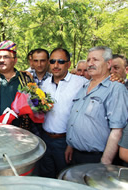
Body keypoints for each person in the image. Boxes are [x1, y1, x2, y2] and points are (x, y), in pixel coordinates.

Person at [66, 46, 127, 165]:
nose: (90, 63)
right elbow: (77, 118)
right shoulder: (84, 87)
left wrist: (105, 162)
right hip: (75, 154)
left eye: (95, 60)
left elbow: (117, 130)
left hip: (96, 158)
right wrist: (70, 145)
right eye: (88, 60)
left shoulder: (116, 89)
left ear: (108, 63)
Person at [35, 48, 88, 178]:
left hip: (66, 142)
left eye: (61, 61)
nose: (56, 65)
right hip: (45, 139)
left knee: (65, 178)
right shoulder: (44, 84)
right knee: (47, 177)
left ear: (69, 64)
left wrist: (116, 78)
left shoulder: (81, 83)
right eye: (52, 61)